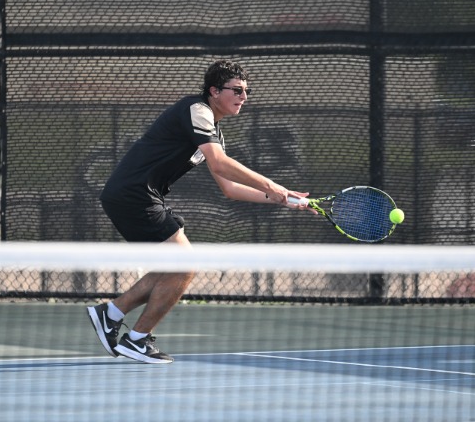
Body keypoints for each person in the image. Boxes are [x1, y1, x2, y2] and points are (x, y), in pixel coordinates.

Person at [87, 59, 311, 364]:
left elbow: (229, 188)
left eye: (247, 91)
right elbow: (220, 163)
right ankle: (136, 339)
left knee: (175, 266)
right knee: (186, 263)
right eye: (237, 90)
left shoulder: (212, 129)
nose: (244, 97)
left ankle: (111, 314)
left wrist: (282, 199)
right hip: (133, 194)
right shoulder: (197, 110)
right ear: (214, 91)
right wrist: (271, 185)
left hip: (138, 195)